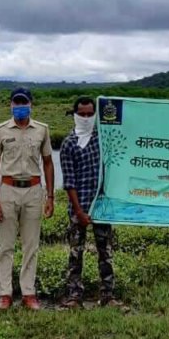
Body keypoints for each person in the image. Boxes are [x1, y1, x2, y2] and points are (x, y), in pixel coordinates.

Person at [0, 87, 55, 310]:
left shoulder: (42, 130)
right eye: (16, 103)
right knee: (5, 245)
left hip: (34, 191)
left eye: (23, 103)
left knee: (31, 245)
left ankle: (28, 293)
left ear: (30, 104)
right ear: (10, 105)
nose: (19, 107)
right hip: (8, 190)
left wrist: (51, 196)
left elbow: (48, 162)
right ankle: (5, 293)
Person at [58, 97, 123, 309]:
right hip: (80, 208)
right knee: (76, 253)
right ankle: (74, 296)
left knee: (106, 253)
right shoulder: (68, 143)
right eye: (82, 114)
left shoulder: (103, 139)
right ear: (75, 114)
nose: (86, 118)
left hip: (102, 208)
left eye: (89, 114)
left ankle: (108, 295)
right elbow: (69, 182)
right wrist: (79, 211)